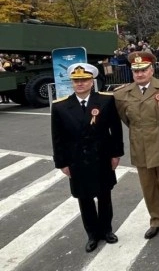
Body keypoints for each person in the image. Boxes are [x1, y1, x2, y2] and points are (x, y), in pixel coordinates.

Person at [51, 63, 124, 253]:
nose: (80, 84)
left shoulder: (106, 101)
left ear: (92, 82)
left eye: (84, 80)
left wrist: (116, 154)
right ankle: (92, 234)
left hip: (101, 156)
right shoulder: (60, 106)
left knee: (104, 195)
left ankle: (106, 230)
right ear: (72, 83)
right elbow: (57, 138)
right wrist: (62, 163)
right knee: (84, 199)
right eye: (76, 81)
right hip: (77, 159)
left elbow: (115, 130)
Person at [114, 51, 159, 239]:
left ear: (152, 70)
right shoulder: (121, 94)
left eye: (143, 70)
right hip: (140, 143)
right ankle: (156, 220)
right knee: (148, 185)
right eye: (136, 71)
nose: (140, 74)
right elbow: (126, 119)